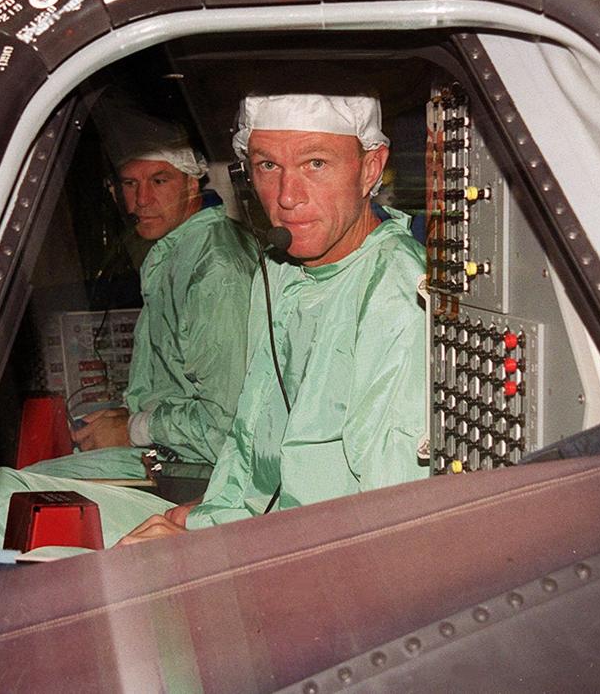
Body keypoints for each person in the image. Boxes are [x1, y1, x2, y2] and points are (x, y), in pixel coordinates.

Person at [120, 92, 428, 544]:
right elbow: (253, 443)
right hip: (256, 527)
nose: (287, 197)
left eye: (315, 164)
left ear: (370, 169)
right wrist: (212, 512)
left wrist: (214, 548)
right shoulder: (280, 269)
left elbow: (387, 524)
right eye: (267, 166)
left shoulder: (396, 290)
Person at [0, 112, 257, 547]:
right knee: (6, 483)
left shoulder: (216, 268)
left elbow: (223, 427)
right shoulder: (177, 251)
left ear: (192, 183)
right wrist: (124, 419)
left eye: (159, 181)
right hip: (168, 459)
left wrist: (133, 429)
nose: (141, 200)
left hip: (204, 479)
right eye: (129, 184)